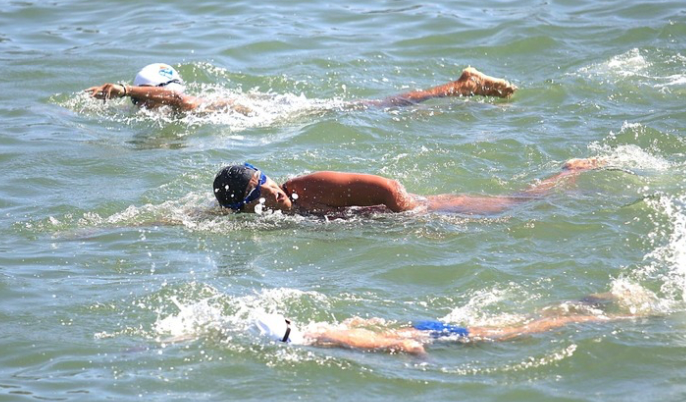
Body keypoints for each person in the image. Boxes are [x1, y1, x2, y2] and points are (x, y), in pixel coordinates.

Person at [254, 293, 636, 356]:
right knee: (513, 322)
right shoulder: (318, 329)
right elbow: (360, 322)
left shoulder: (326, 340)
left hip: (427, 335)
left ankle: (618, 316)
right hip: (417, 324)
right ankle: (589, 303)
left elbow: (408, 347)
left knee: (519, 331)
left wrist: (428, 368)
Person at [212, 158, 607, 216]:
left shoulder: (306, 188)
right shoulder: (261, 216)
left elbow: (387, 187)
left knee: (512, 206)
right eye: (258, 194)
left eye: (264, 180)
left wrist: (409, 220)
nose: (271, 193)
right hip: (387, 220)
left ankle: (568, 175)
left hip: (417, 210)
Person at [85, 63, 516, 112]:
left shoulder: (182, 103)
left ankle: (463, 87)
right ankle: (461, 89)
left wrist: (125, 91)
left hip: (286, 114)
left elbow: (178, 99)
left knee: (384, 106)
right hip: (276, 108)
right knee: (381, 106)